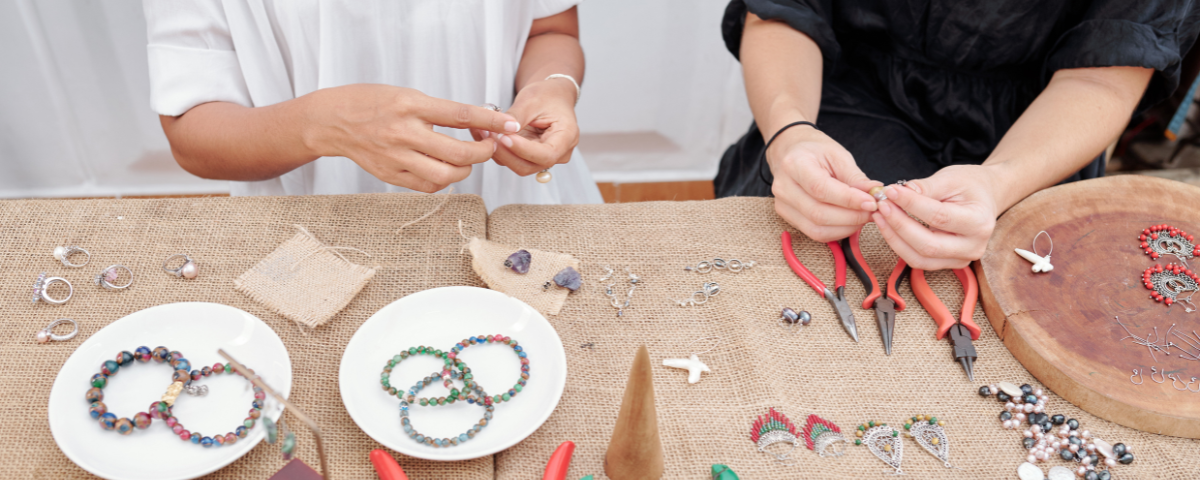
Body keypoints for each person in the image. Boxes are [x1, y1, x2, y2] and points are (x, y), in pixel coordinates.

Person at [716, 0, 1200, 269]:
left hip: (1032, 143)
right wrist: (790, 131)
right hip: (837, 101)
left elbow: (1098, 77)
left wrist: (998, 183)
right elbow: (784, 8)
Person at [143, 0, 604, 210]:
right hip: (311, 218)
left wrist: (554, 86)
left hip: (511, 195)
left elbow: (551, 30)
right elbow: (192, 132)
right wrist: (320, 124)